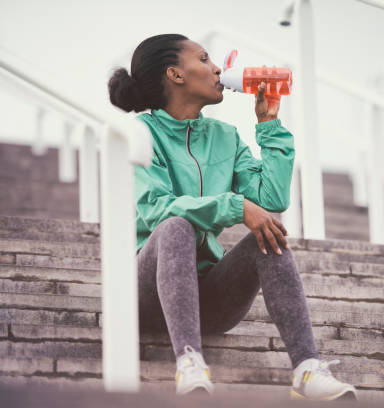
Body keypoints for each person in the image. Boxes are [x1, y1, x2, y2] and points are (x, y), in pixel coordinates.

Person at [107, 33, 357, 401]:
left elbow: (271, 197)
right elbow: (155, 208)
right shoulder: (139, 134)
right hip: (146, 294)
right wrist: (233, 206)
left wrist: (269, 125)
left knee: (267, 237)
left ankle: (307, 370)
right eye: (205, 59)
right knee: (175, 226)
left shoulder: (225, 136)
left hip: (210, 300)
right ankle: (189, 362)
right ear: (175, 74)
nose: (217, 69)